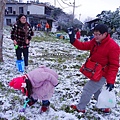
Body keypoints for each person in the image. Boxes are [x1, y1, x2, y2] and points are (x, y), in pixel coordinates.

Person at [68, 24, 119, 113]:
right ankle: (104, 107)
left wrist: (111, 82)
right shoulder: (95, 42)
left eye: (98, 34)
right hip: (95, 71)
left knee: (87, 89)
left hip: (102, 74)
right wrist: (73, 40)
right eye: (94, 34)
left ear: (105, 34)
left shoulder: (113, 46)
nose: (95, 36)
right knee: (96, 91)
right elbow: (83, 46)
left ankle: (81, 108)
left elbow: (114, 66)